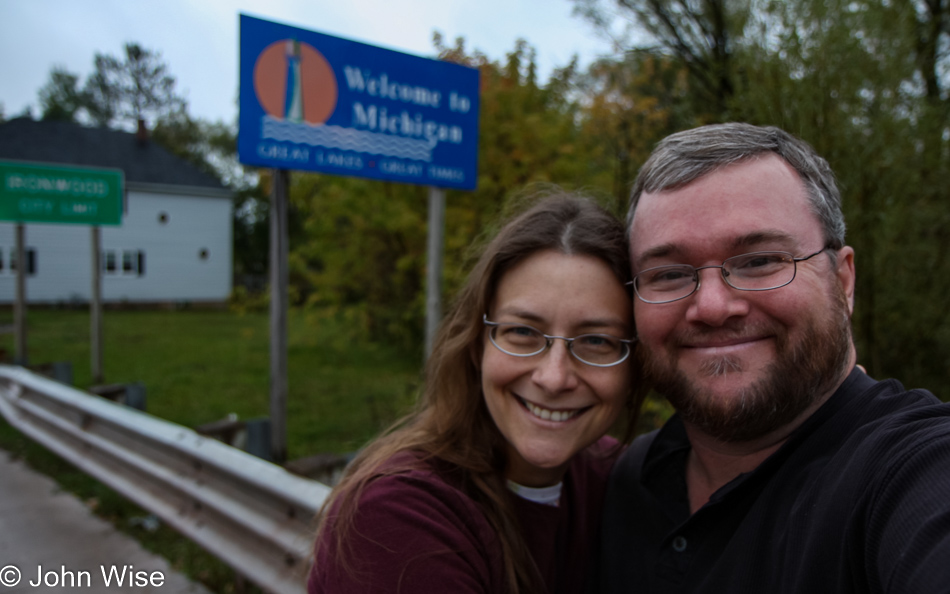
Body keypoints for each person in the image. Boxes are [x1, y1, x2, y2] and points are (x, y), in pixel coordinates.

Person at [598, 122, 950, 593]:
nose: (713, 308)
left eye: (759, 261)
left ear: (842, 282)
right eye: (669, 274)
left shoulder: (913, 471)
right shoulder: (614, 484)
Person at [309, 195, 642, 594]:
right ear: (477, 343)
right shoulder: (396, 516)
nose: (554, 378)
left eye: (595, 340)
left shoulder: (617, 480)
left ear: (634, 364)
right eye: (522, 332)